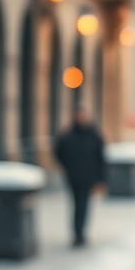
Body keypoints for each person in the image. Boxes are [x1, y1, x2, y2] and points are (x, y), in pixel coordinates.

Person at [54, 106, 106, 247]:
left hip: (88, 178)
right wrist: (67, 167)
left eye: (84, 115)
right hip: (73, 177)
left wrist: (101, 179)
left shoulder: (94, 135)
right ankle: (76, 233)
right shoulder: (68, 134)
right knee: (76, 204)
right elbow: (58, 151)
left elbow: (101, 158)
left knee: (83, 205)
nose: (82, 118)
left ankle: (80, 233)